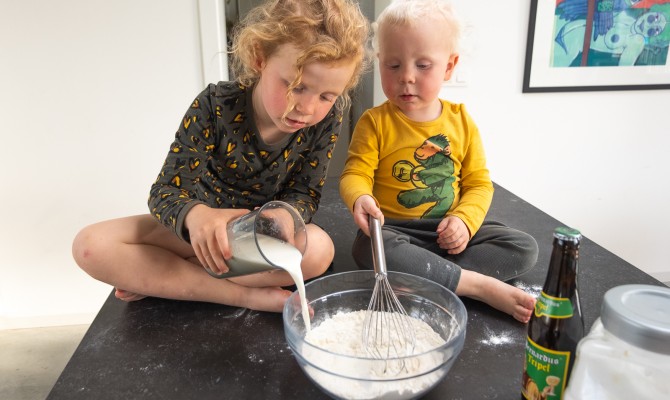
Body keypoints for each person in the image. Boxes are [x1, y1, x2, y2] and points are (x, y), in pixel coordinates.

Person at [72, 0, 370, 313]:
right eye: (296, 87)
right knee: (90, 246)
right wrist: (198, 216)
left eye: (326, 96)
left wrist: (285, 215)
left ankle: (167, 275)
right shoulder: (215, 105)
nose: (307, 108)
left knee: (319, 251)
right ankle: (241, 296)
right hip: (193, 233)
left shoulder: (326, 119)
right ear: (259, 58)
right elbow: (165, 193)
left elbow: (303, 194)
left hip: (251, 239)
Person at [339, 0, 539, 323]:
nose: (406, 77)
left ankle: (425, 274)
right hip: (395, 231)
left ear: (449, 66)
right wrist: (360, 196)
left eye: (423, 65)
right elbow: (354, 174)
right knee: (369, 249)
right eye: (393, 65)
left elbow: (478, 184)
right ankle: (475, 285)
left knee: (523, 247)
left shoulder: (462, 122)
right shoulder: (374, 122)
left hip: (450, 234)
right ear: (379, 64)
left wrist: (463, 221)